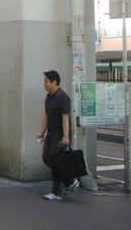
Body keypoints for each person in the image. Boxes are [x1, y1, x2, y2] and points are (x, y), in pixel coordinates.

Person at [37, 70, 79, 200]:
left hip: (59, 134)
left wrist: (65, 136)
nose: (44, 84)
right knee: (46, 158)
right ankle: (69, 180)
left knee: (56, 162)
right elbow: (46, 116)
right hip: (51, 133)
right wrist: (42, 132)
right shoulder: (49, 97)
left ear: (54, 82)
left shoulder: (63, 98)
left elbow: (65, 118)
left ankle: (56, 192)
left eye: (46, 81)